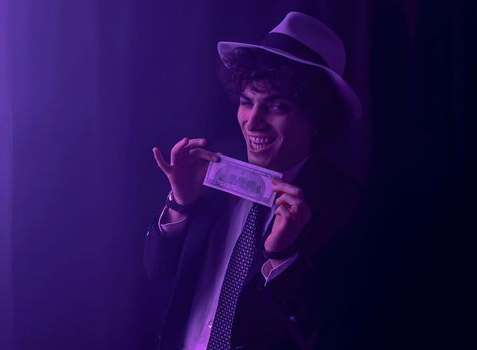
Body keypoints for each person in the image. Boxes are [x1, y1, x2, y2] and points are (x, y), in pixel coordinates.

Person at [145, 12, 364, 349]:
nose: (253, 122)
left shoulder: (343, 203)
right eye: (247, 102)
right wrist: (180, 205)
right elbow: (157, 270)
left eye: (277, 107)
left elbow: (328, 332)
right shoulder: (212, 165)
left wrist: (284, 256)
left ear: (316, 115)